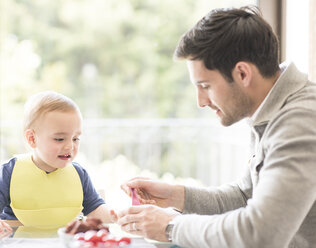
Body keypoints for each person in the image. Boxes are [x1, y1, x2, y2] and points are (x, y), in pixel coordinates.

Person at [116, 6, 316, 248]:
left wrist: (171, 227)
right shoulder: (271, 110)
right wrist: (176, 196)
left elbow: (260, 234)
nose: (201, 102)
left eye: (205, 86)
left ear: (242, 73)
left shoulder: (300, 121)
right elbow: (246, 196)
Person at [0, 91, 114, 235]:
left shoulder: (79, 174)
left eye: (75, 139)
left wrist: (119, 217)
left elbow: (97, 209)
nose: (70, 146)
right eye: (60, 139)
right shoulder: (10, 170)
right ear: (32, 139)